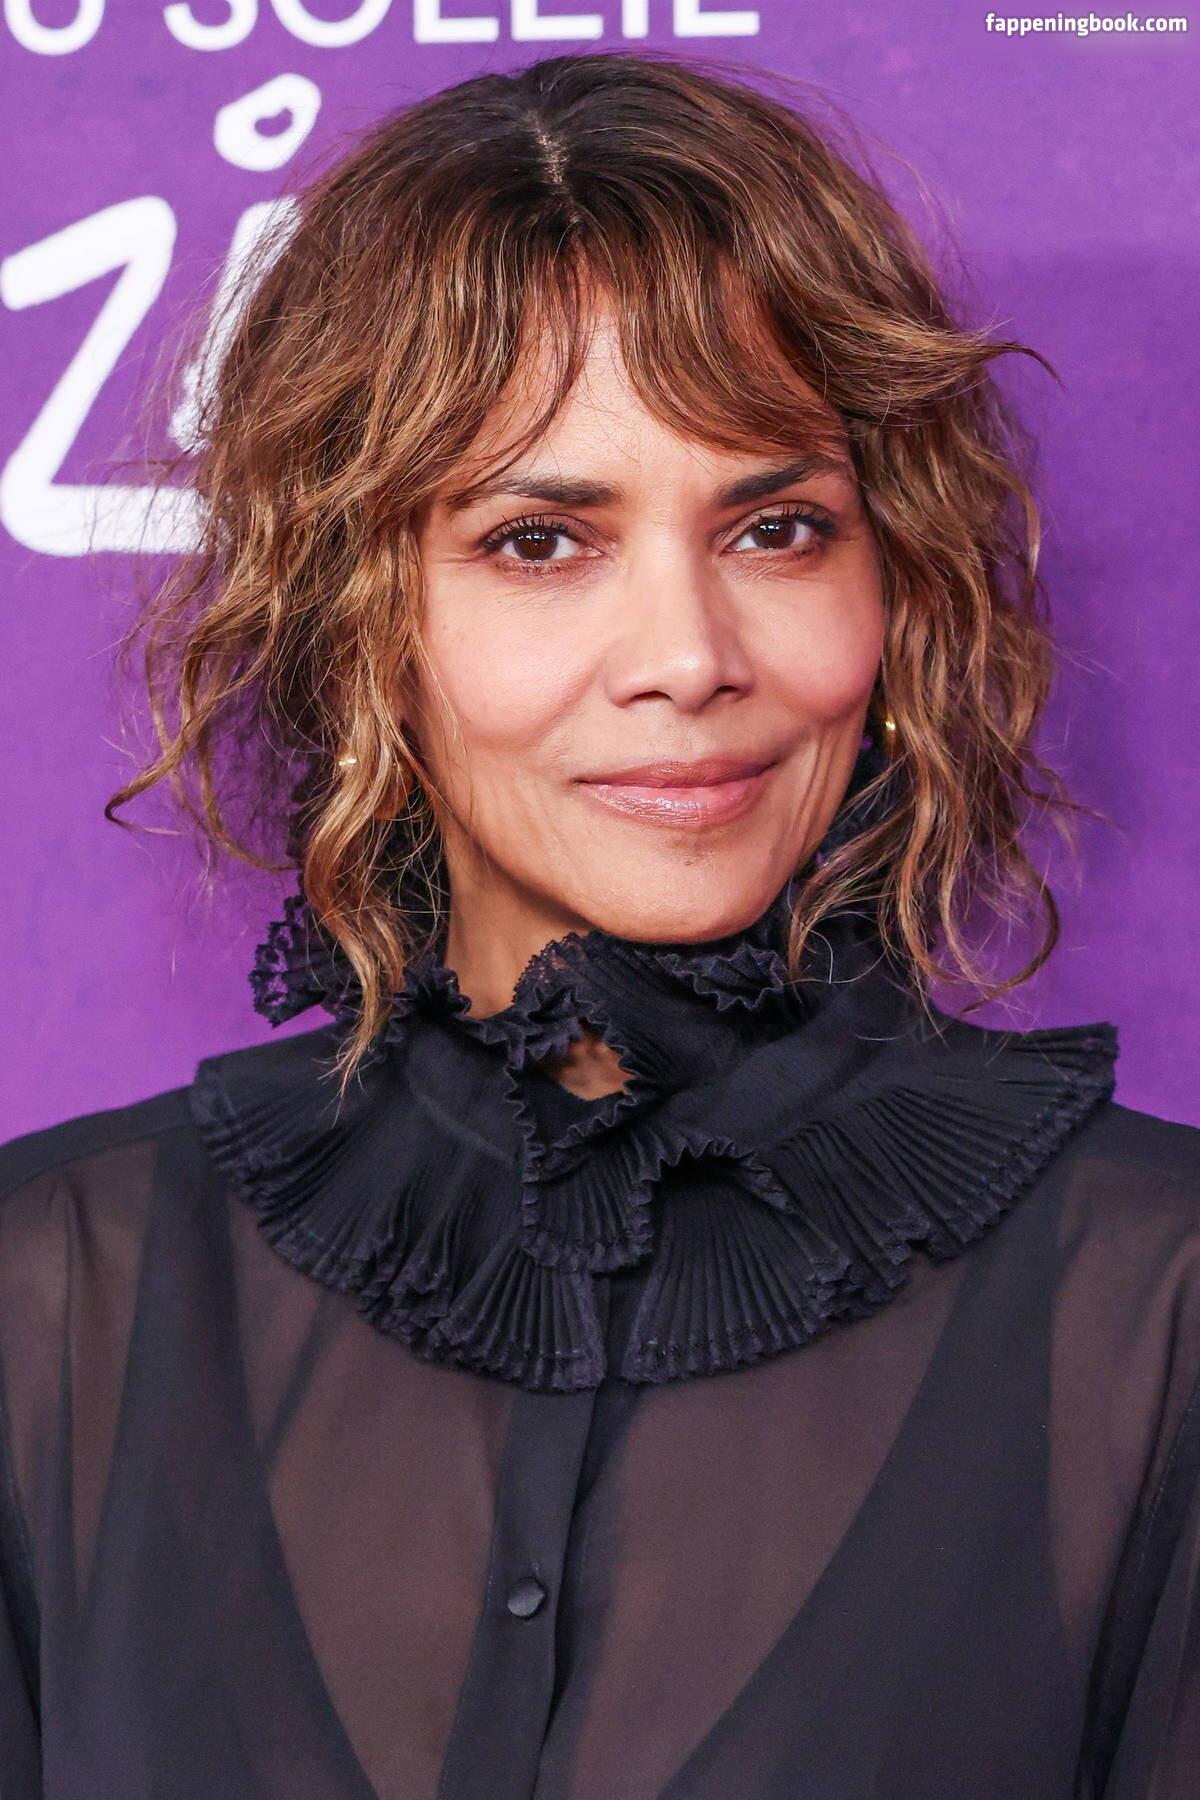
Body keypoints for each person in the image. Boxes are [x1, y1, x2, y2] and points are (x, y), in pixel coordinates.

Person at [0, 49, 1196, 1800]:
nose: (689, 657)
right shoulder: (52, 1297)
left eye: (778, 528)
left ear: (896, 584)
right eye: (542, 541)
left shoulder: (1160, 1310)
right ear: (359, 615)